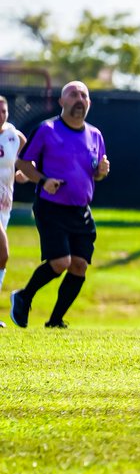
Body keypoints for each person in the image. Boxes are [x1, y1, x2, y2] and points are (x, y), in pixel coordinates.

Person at [10, 81, 111, 329]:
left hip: (81, 210)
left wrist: (101, 172)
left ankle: (55, 321)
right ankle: (23, 296)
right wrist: (43, 181)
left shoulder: (95, 135)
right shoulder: (47, 129)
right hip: (51, 206)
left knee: (79, 265)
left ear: (89, 103)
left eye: (83, 96)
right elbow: (23, 164)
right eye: (73, 94)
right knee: (60, 262)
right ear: (61, 102)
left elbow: (96, 172)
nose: (79, 99)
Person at [0, 95, 31, 327]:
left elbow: (19, 166)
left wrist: (23, 176)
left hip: (5, 206)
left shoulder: (14, 136)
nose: (1, 115)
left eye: (3, 111)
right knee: (3, 253)